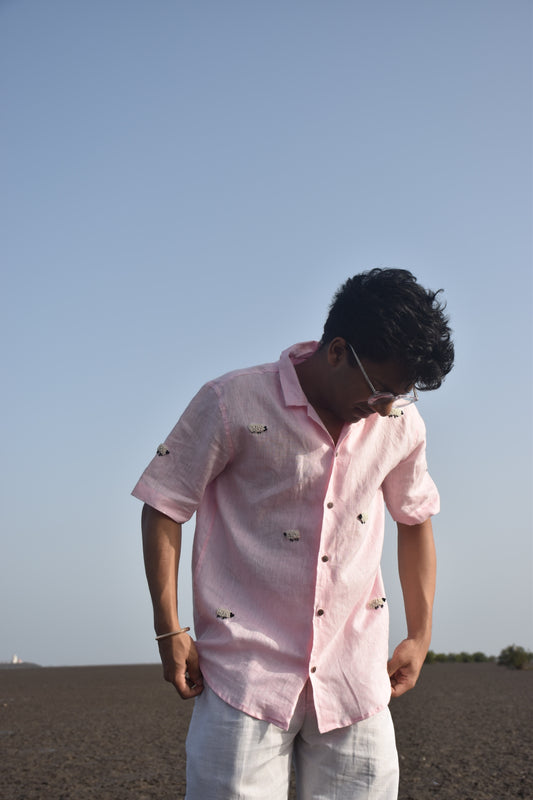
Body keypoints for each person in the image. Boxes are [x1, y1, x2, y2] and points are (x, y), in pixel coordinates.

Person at [132, 268, 454, 800]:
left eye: (400, 396)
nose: (386, 408)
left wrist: (421, 636)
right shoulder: (231, 402)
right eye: (379, 391)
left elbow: (415, 519)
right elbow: (164, 503)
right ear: (336, 351)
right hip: (244, 673)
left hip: (355, 678)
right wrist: (169, 630)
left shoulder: (399, 425)